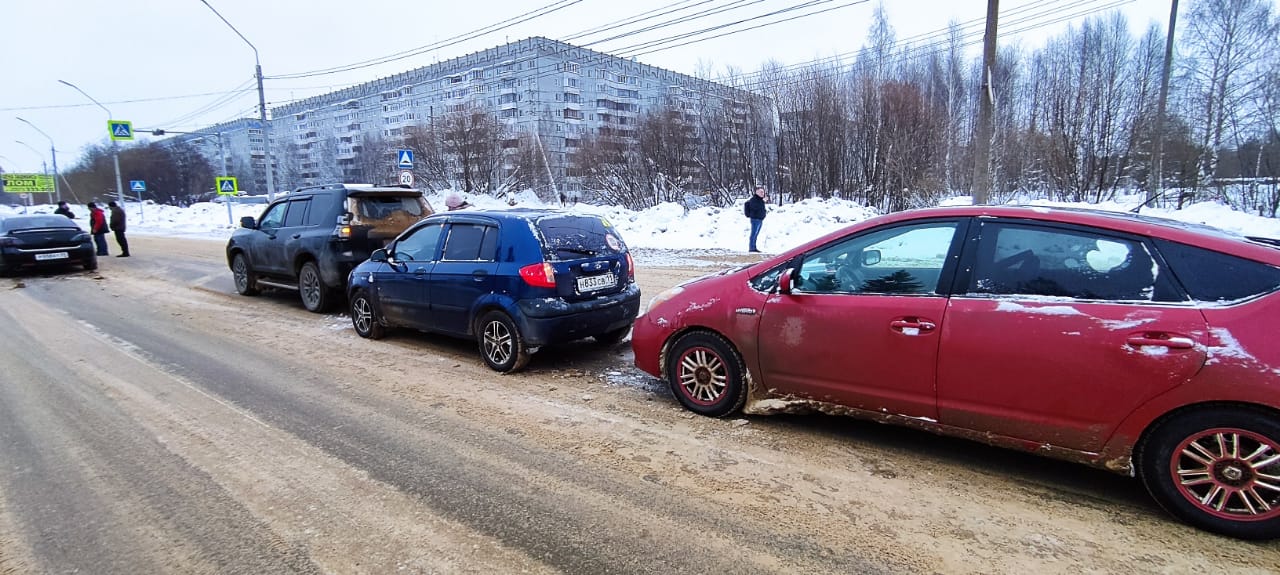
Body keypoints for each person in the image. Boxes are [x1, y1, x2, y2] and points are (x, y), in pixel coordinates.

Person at [744, 186, 768, 253]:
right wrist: (762, 201)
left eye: (763, 192)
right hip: (755, 219)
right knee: (754, 234)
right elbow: (755, 207)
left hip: (760, 219)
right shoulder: (754, 200)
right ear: (757, 192)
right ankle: (752, 247)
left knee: (756, 234)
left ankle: (754, 247)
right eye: (761, 192)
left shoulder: (760, 200)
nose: (762, 193)